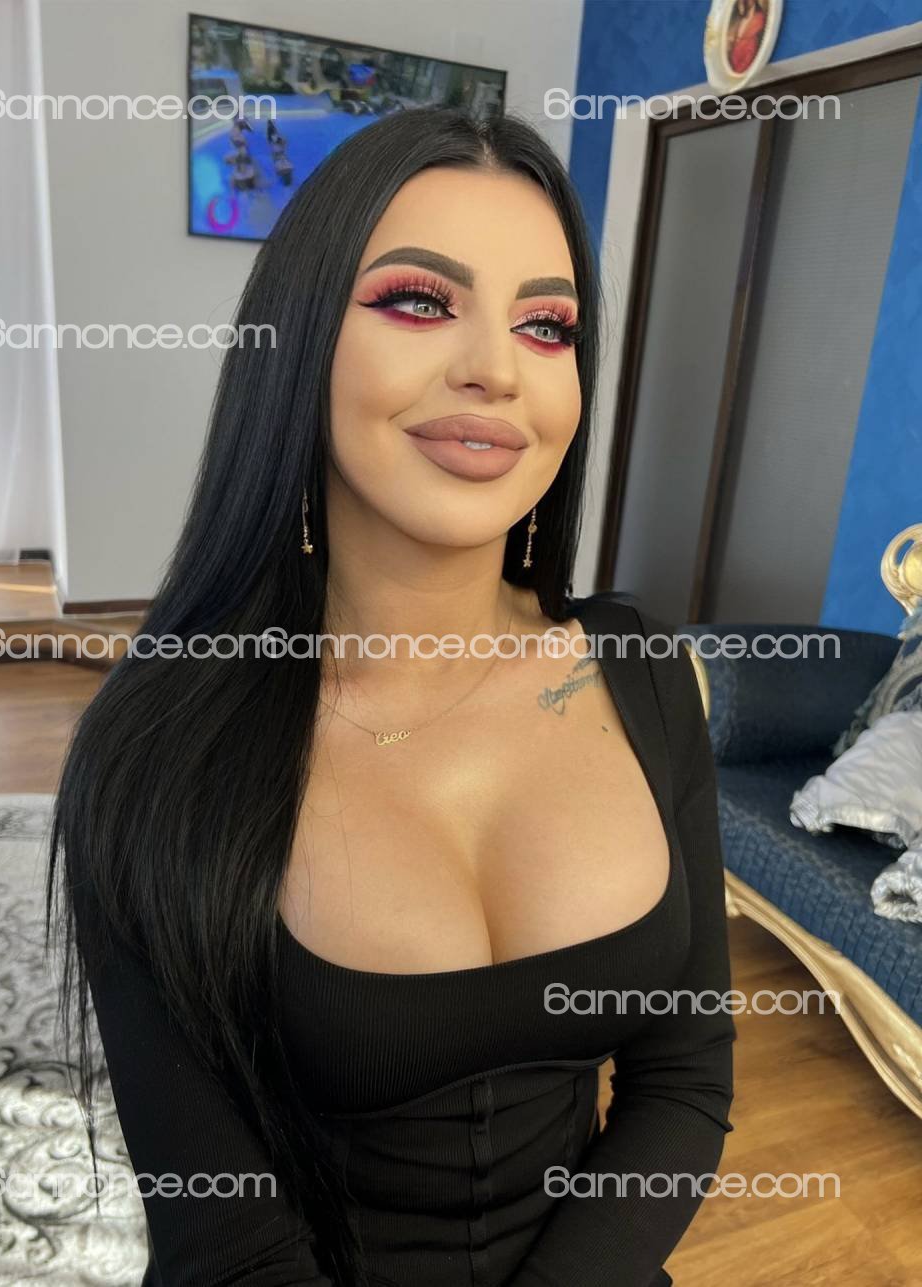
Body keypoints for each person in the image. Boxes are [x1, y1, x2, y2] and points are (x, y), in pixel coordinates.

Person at [47, 106, 736, 1287]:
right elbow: (223, 1237)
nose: (496, 370)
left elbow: (684, 1080)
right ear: (299, 343)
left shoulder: (641, 673)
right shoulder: (156, 743)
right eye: (420, 302)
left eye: (546, 324)